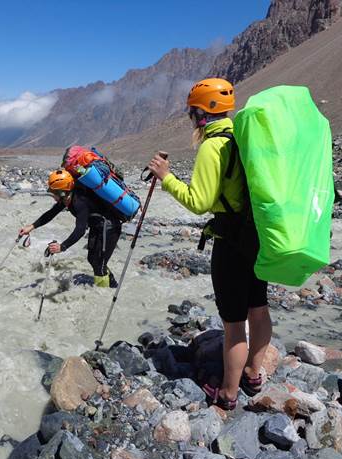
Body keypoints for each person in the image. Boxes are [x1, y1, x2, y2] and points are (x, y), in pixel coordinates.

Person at [147, 78, 271, 410]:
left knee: (233, 325)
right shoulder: (245, 138)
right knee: (258, 309)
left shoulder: (213, 147)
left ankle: (228, 394)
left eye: (192, 114)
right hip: (259, 236)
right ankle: (254, 373)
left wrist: (166, 178)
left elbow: (199, 201)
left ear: (203, 114)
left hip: (231, 242)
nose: (191, 120)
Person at [19, 169, 122, 287]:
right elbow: (51, 213)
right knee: (92, 259)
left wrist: (62, 247)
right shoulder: (67, 198)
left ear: (62, 193)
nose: (53, 196)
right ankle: (109, 285)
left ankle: (107, 292)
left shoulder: (80, 201)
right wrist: (31, 227)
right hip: (98, 227)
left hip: (109, 228)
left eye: (54, 193)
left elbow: (80, 230)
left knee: (100, 264)